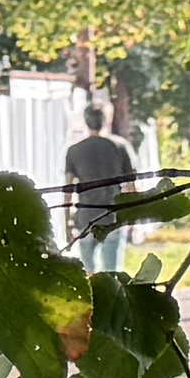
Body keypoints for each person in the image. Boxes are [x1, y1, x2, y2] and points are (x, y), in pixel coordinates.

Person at [60, 107, 142, 274]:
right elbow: (131, 186)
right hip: (112, 217)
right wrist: (133, 220)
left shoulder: (74, 151)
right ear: (106, 121)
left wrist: (67, 223)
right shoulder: (119, 146)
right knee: (112, 274)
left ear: (85, 121)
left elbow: (68, 191)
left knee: (89, 275)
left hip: (85, 218)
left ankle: (94, 300)